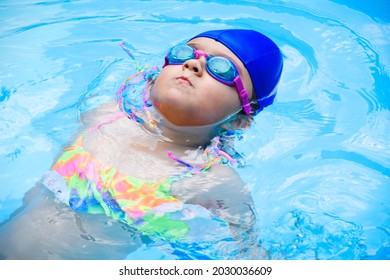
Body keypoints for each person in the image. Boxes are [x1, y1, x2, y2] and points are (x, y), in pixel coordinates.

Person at [0, 29, 283, 259]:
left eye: (221, 68)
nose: (193, 64)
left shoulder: (212, 179)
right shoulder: (103, 117)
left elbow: (248, 257)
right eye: (184, 53)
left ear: (240, 120)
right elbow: (42, 186)